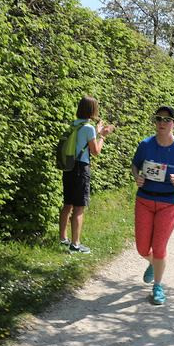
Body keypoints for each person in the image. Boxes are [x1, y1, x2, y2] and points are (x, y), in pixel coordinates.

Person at [132, 105, 174, 305]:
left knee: (159, 247)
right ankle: (154, 263)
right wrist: (137, 177)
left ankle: (158, 287)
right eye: (158, 119)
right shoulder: (145, 145)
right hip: (144, 199)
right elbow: (136, 165)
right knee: (143, 249)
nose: (162, 123)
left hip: (170, 202)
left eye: (166, 120)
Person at [59, 96, 115, 254]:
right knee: (79, 207)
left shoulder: (74, 125)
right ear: (92, 110)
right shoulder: (89, 128)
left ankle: (63, 238)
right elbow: (95, 151)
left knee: (67, 204)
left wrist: (96, 132)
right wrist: (103, 136)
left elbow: (82, 141)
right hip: (81, 169)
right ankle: (75, 244)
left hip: (69, 167)